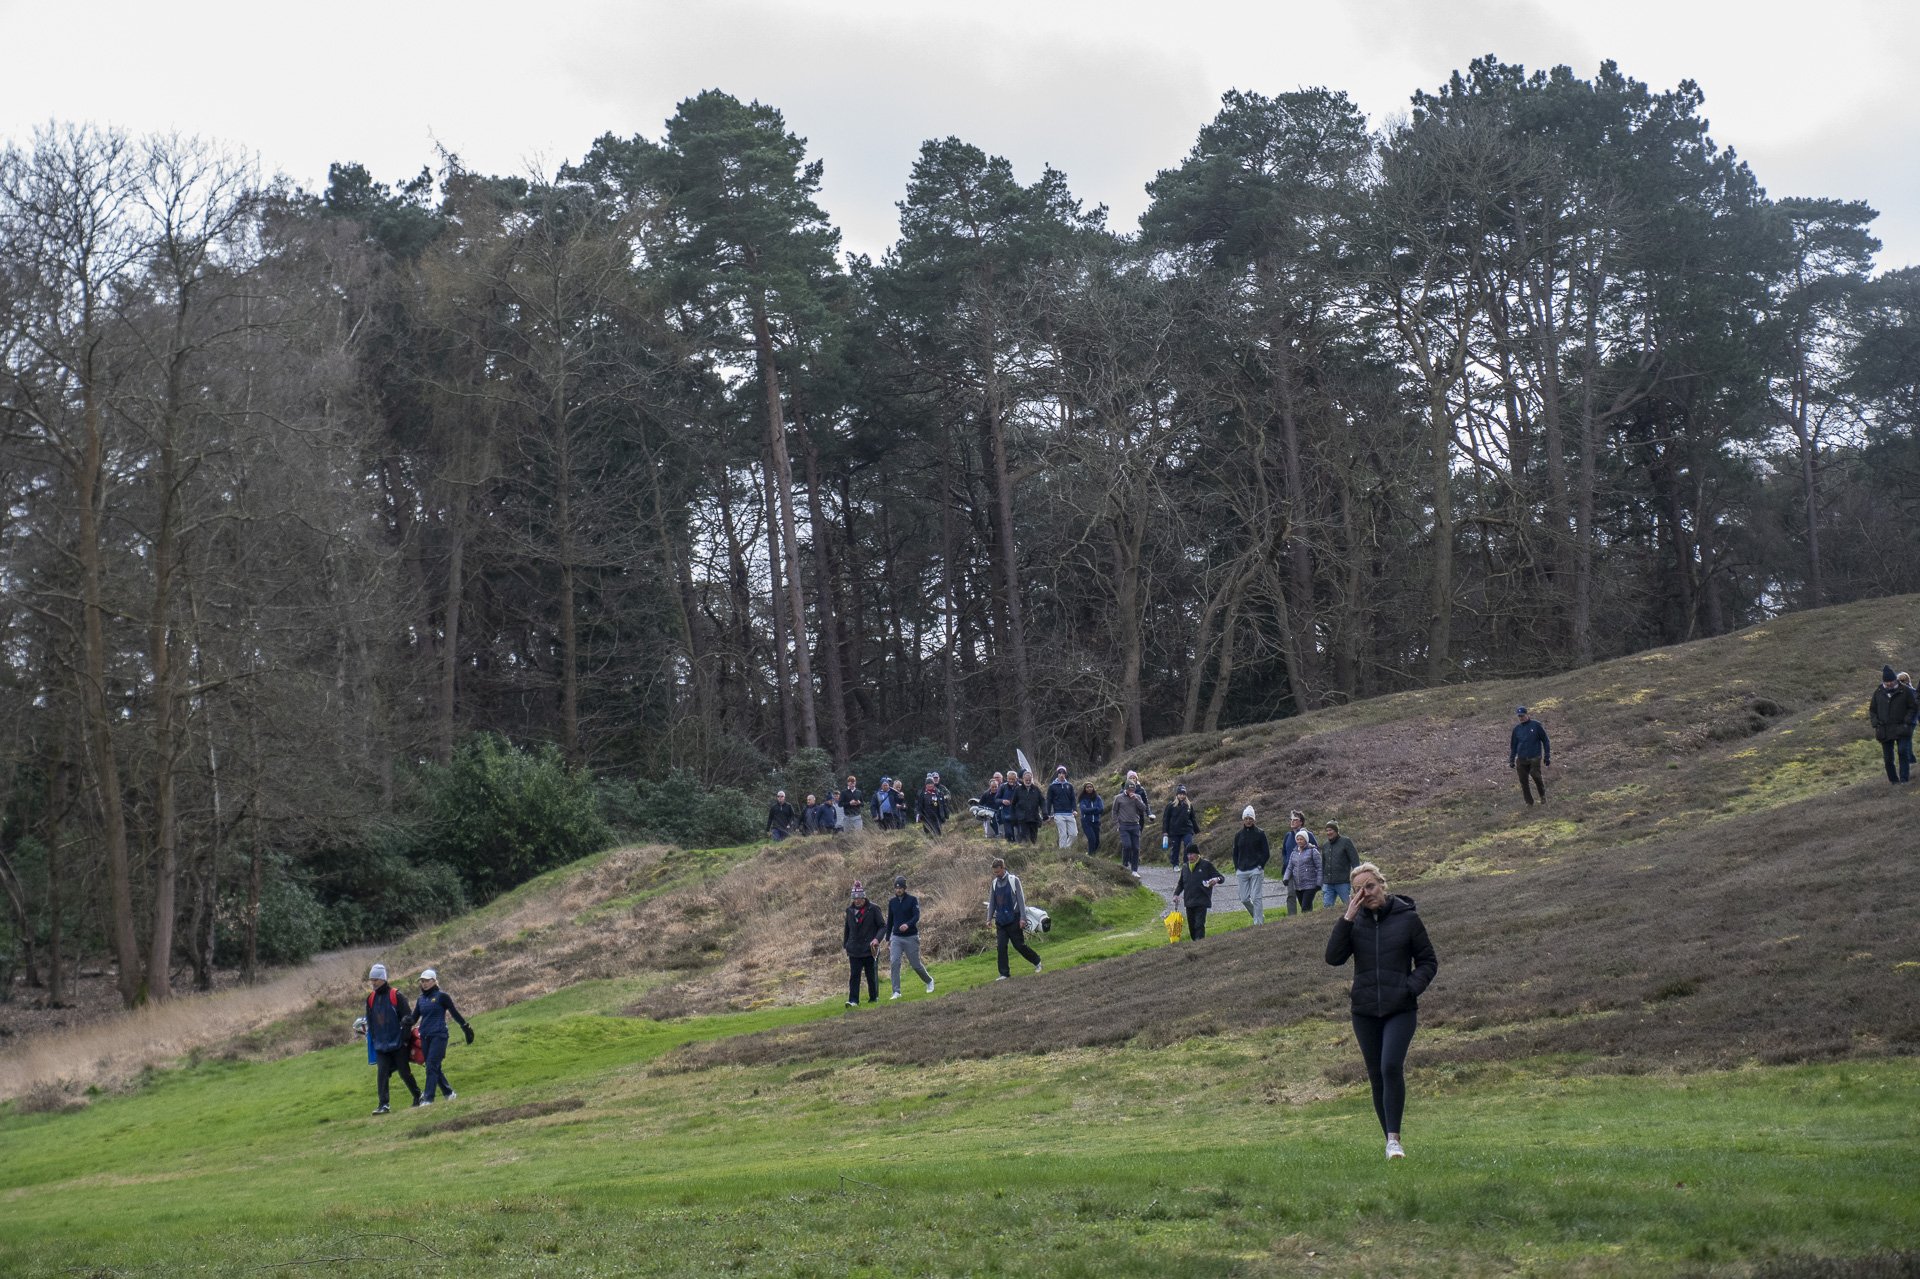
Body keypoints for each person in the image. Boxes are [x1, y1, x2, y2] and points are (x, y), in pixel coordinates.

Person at [1326, 862, 1437, 1160]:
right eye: (1358, 890)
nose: (1366, 894)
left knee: (1390, 1066)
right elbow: (1333, 958)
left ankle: (1394, 1138)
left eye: (1370, 886)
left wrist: (1408, 988)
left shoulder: (1408, 919)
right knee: (1376, 1074)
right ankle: (1390, 1142)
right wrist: (1347, 917)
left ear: (1382, 884)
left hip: (1399, 1008)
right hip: (1364, 1011)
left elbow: (1428, 962)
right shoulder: (1355, 921)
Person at [363, 963, 421, 1114]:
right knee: (382, 1073)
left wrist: (405, 1039)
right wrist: (373, 1040)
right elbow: (370, 1022)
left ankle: (418, 1096)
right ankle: (384, 1104)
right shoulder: (370, 999)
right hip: (381, 1045)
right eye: (371, 980)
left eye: (375, 979)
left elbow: (408, 1018)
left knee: (404, 1072)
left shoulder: (396, 996)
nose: (373, 983)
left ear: (383, 979)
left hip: (399, 1043)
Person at [412, 968, 473, 1106]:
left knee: (432, 1065)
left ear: (434, 981)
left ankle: (428, 1099)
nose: (424, 983)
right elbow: (414, 1018)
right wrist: (404, 1021)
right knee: (433, 1066)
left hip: (439, 1035)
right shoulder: (420, 999)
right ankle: (449, 1093)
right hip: (425, 1036)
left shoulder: (442, 996)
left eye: (427, 980)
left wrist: (465, 1027)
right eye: (422, 981)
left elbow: (454, 1013)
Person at [987, 857, 1042, 979]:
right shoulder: (994, 883)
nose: (996, 875)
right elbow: (992, 902)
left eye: (998, 872)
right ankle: (1004, 973)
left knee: (1019, 945)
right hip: (1000, 921)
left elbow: (1021, 900)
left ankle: (1037, 961)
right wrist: (989, 918)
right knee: (1001, 947)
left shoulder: (1014, 880)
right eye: (994, 872)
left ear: (1003, 868)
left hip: (1014, 918)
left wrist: (1023, 918)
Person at [885, 875, 934, 999]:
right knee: (894, 962)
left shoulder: (912, 900)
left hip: (911, 936)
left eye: (901, 887)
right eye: (896, 888)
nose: (898, 890)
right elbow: (890, 921)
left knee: (915, 964)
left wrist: (908, 924)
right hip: (896, 937)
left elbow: (916, 916)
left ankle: (929, 981)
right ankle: (896, 991)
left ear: (905, 888)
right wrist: (887, 939)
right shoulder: (892, 902)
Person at [1869, 665, 1917, 784]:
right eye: (1886, 682)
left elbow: (1913, 707)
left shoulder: (1905, 690)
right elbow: (1872, 710)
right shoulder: (1878, 692)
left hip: (1903, 728)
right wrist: (1876, 724)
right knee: (1888, 759)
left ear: (1895, 680)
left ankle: (1904, 780)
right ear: (1883, 681)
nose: (1889, 684)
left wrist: (1907, 721)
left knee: (1902, 752)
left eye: (1891, 681)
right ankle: (1894, 782)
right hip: (1884, 730)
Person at [842, 882, 885, 1006]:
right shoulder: (849, 911)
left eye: (859, 898)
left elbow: (882, 926)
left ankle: (873, 997)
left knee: (871, 975)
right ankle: (853, 1000)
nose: (857, 901)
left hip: (869, 948)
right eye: (854, 898)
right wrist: (846, 945)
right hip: (854, 949)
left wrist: (877, 939)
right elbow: (847, 929)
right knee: (854, 976)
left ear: (864, 897)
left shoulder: (873, 909)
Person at [1172, 844, 1226, 940]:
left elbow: (1221, 878)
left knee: (1199, 925)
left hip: (1202, 901)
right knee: (1192, 928)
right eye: (1188, 854)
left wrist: (1216, 879)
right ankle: (1196, 945)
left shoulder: (1206, 865)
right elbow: (1181, 884)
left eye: (1192, 854)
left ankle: (1200, 945)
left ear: (1197, 854)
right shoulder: (1184, 867)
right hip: (1189, 902)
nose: (1190, 856)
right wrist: (1176, 894)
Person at [1230, 806, 1270, 925]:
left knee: (1256, 897)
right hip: (1242, 870)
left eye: (1250, 818)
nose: (1248, 821)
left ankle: (1258, 923)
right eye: (1246, 818)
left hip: (1256, 870)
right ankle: (1258, 915)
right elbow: (1235, 853)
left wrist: (1260, 865)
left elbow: (1266, 853)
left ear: (1254, 819)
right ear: (1243, 819)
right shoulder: (1238, 835)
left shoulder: (1260, 833)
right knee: (1244, 898)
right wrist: (1237, 867)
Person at [1509, 706, 1551, 805]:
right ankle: (1529, 802)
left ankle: (1542, 796)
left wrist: (1547, 755)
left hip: (1535, 756)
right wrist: (1511, 759)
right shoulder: (1517, 729)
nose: (1521, 718)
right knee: (1523, 781)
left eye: (1522, 715)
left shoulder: (1536, 725)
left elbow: (1545, 740)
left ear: (1527, 714)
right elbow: (1513, 745)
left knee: (1535, 775)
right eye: (1519, 716)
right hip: (1521, 758)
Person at [1320, 820, 1359, 910]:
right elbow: (1323, 864)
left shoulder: (1346, 841)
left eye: (1331, 830)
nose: (1328, 832)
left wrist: (1357, 876)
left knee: (1349, 906)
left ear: (1336, 831)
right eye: (1327, 830)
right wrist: (1323, 879)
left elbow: (1355, 859)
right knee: (1327, 908)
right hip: (1328, 883)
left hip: (1343, 882)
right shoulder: (1325, 845)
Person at [1281, 831, 1322, 913]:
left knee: (1305, 908)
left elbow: (1320, 867)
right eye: (1298, 839)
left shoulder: (1313, 851)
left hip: (1310, 885)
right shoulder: (1294, 852)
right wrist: (1286, 878)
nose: (1299, 841)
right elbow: (1290, 867)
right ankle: (1311, 922)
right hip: (1298, 886)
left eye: (1301, 839)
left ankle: (1305, 923)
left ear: (1306, 840)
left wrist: (1319, 883)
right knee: (1306, 909)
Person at [1112, 783, 1147, 877]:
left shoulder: (1138, 797)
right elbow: (1114, 811)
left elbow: (1143, 808)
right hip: (1124, 826)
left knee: (1136, 848)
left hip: (1135, 825)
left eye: (1133, 790)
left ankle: (1134, 870)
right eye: (1129, 789)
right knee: (1127, 846)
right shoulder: (1118, 798)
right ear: (1125, 789)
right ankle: (1124, 865)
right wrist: (1117, 824)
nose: (1131, 791)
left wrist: (1136, 799)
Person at [1163, 785, 1198, 867]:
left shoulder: (1189, 805)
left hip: (1187, 829)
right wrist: (1165, 831)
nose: (1182, 796)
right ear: (1177, 795)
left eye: (1183, 794)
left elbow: (1193, 818)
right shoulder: (1171, 805)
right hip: (1174, 830)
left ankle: (1186, 863)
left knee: (1188, 845)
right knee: (1175, 847)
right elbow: (1166, 819)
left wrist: (1196, 830)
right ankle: (1175, 864)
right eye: (1180, 794)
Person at [1048, 766, 1078, 848]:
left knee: (1074, 834)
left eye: (1063, 773)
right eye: (1060, 773)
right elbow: (1049, 801)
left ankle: (1066, 849)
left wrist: (1074, 809)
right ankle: (1062, 852)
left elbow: (1073, 799)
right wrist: (1049, 814)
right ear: (1057, 774)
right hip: (1058, 814)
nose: (1062, 775)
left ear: (1065, 774)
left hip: (1069, 813)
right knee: (1063, 834)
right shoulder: (1052, 786)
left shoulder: (1069, 785)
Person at [1012, 770, 1045, 844]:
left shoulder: (1036, 789)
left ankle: (1033, 852)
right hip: (1023, 819)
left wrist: (1045, 813)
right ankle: (1025, 851)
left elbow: (1042, 801)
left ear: (1031, 779)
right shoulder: (1018, 790)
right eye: (1026, 780)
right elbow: (1013, 804)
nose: (1028, 782)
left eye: (1029, 780)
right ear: (1023, 780)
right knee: (1025, 837)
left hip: (1034, 818)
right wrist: (1014, 816)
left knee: (1033, 838)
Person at [1078, 783, 1105, 858]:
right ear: (1085, 789)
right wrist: (1095, 809)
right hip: (1086, 822)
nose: (1089, 788)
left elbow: (1101, 809)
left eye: (1091, 787)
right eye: (1087, 787)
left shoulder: (1098, 798)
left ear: (1093, 788)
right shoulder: (1083, 799)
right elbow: (1084, 810)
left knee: (1097, 841)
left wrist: (1091, 810)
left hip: (1096, 822)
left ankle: (1093, 855)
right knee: (1091, 838)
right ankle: (1090, 856)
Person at [979, 772, 1005, 836]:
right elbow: (981, 804)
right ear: (990, 786)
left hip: (1001, 811)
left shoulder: (1003, 790)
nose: (994, 788)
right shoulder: (986, 793)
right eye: (992, 787)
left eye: (995, 787)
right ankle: (993, 834)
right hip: (990, 812)